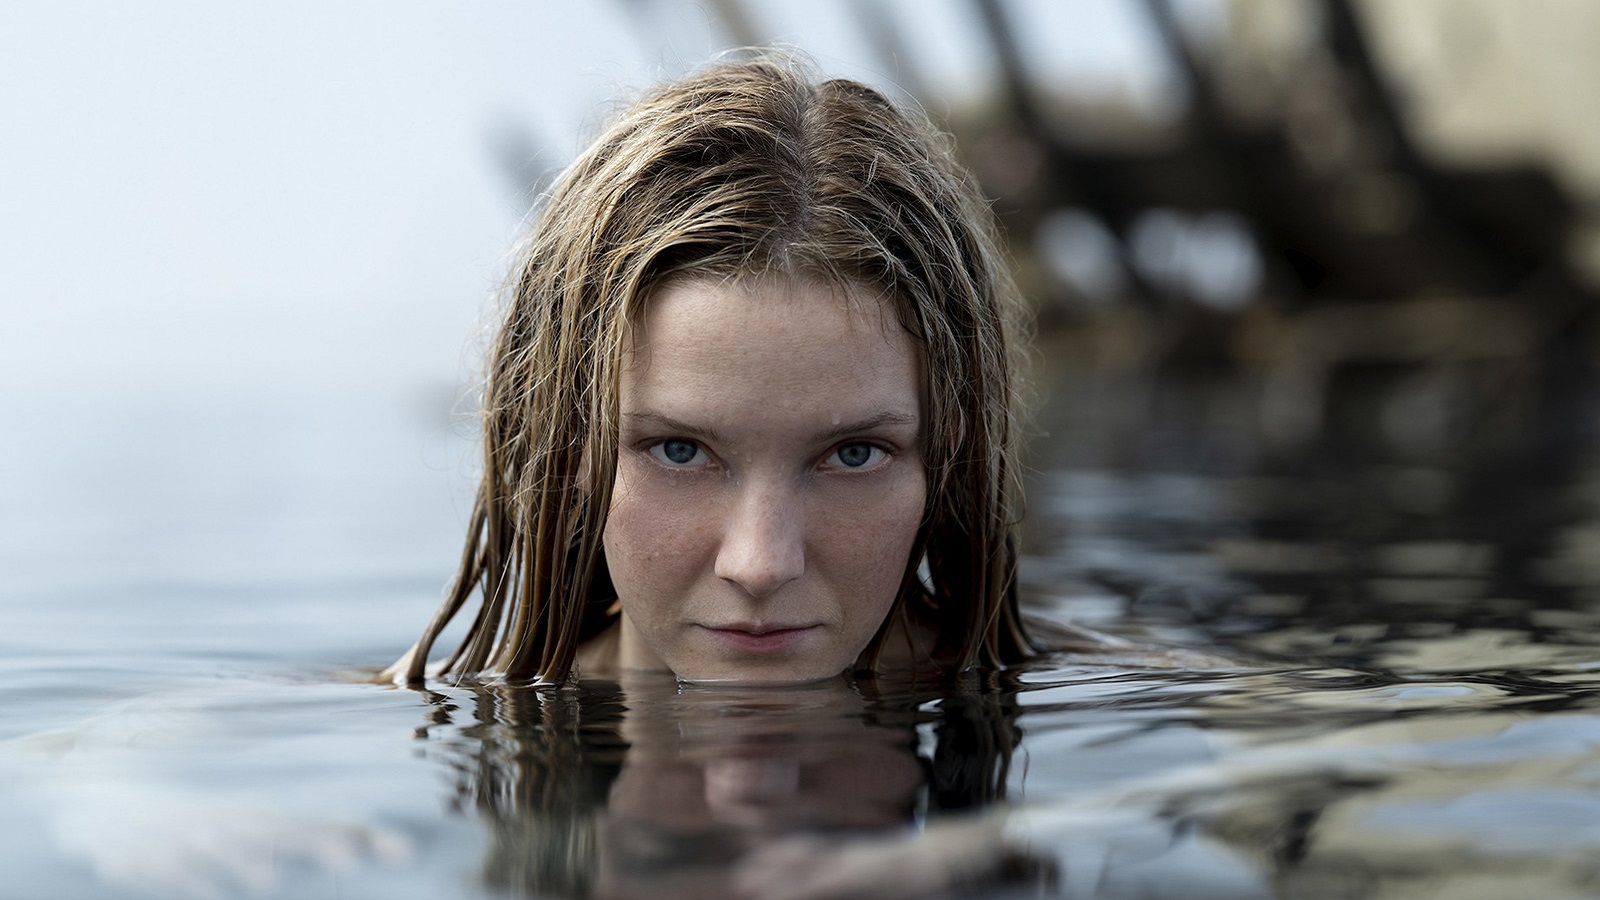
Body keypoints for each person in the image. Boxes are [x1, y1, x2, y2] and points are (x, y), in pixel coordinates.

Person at [384, 52, 1038, 687]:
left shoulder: (1120, 702)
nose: (761, 566)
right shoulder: (403, 719)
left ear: (946, 449)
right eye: (678, 450)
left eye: (856, 454)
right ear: (573, 441)